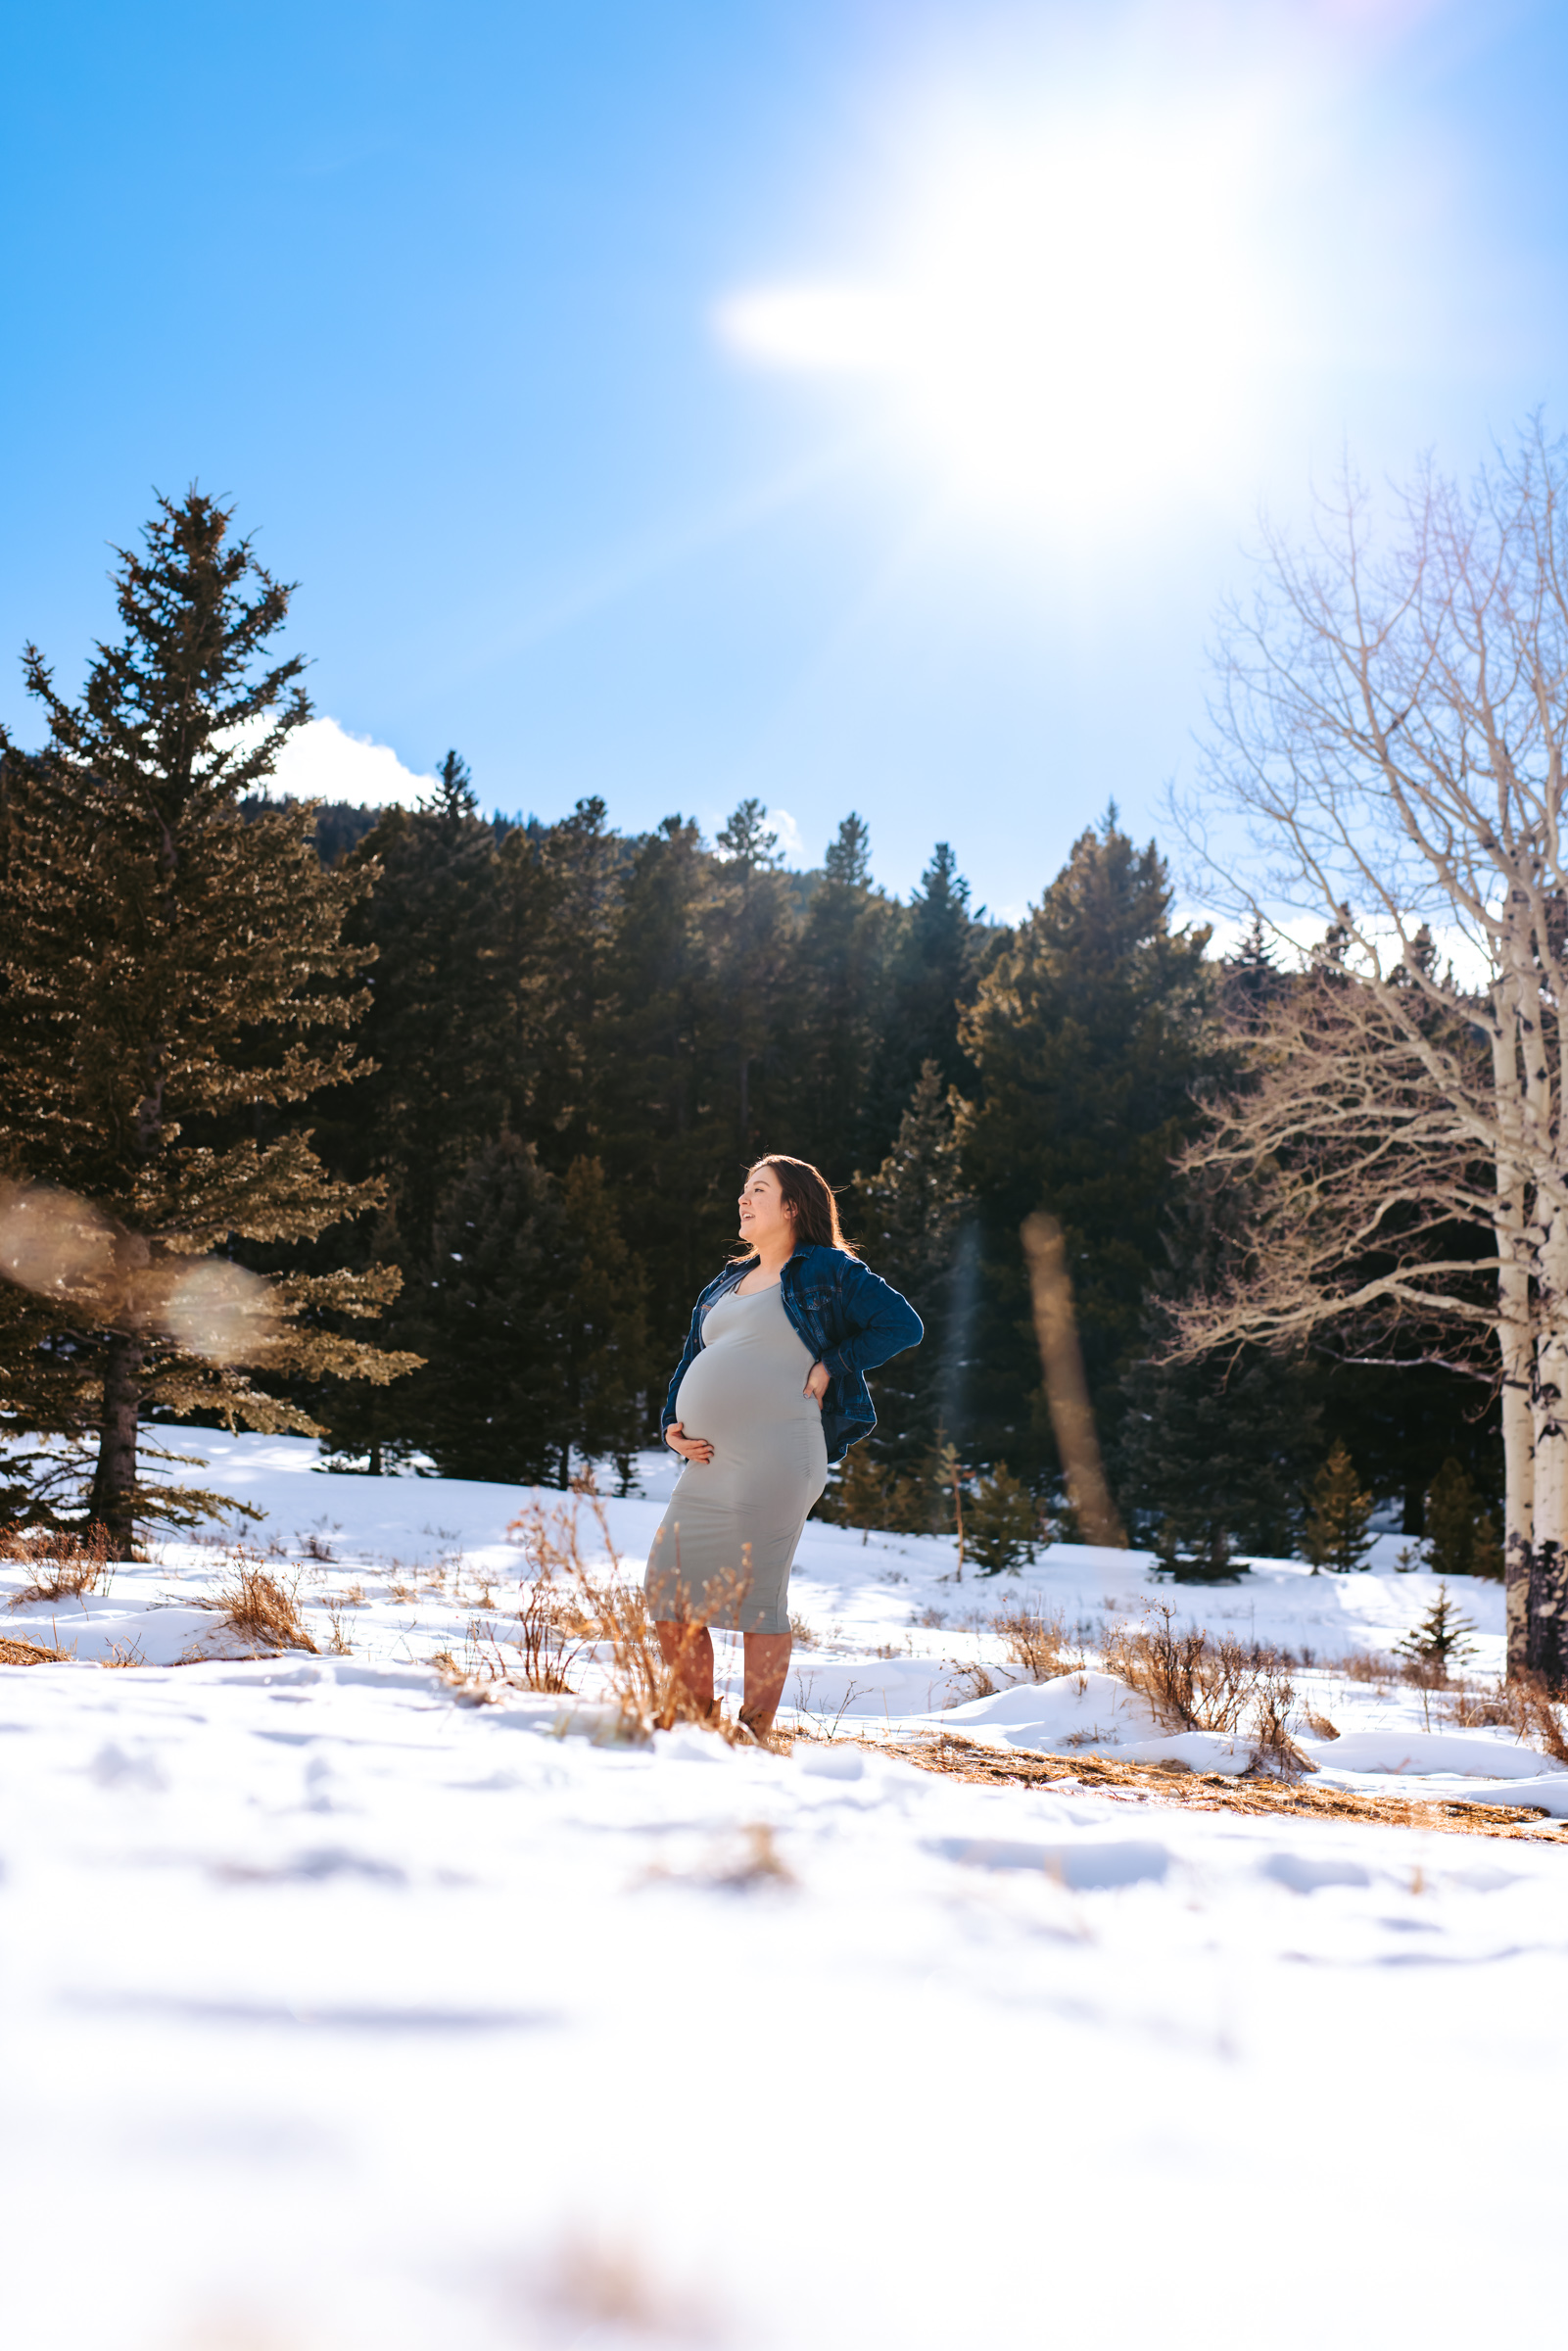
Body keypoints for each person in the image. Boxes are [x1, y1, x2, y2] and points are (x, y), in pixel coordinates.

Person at [645, 1154, 923, 1740]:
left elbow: (902, 1324)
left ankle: (752, 1733)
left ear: (792, 1205)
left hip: (778, 1453)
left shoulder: (825, 1271)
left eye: (758, 1190)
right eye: (743, 1190)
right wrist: (673, 1421)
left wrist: (833, 1365)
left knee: (757, 1597)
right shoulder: (726, 1280)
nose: (743, 1200)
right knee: (667, 1588)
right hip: (709, 1461)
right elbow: (693, 1357)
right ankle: (697, 1725)